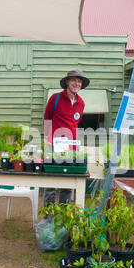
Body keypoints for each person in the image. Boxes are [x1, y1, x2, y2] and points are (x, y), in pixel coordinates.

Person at [42, 70, 90, 209]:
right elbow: (47, 118)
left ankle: (63, 218)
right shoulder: (55, 98)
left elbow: (75, 123)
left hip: (72, 148)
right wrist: (48, 138)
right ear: (67, 82)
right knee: (51, 185)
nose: (77, 83)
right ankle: (48, 218)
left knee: (68, 186)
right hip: (54, 146)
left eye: (79, 81)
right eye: (74, 80)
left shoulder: (81, 103)